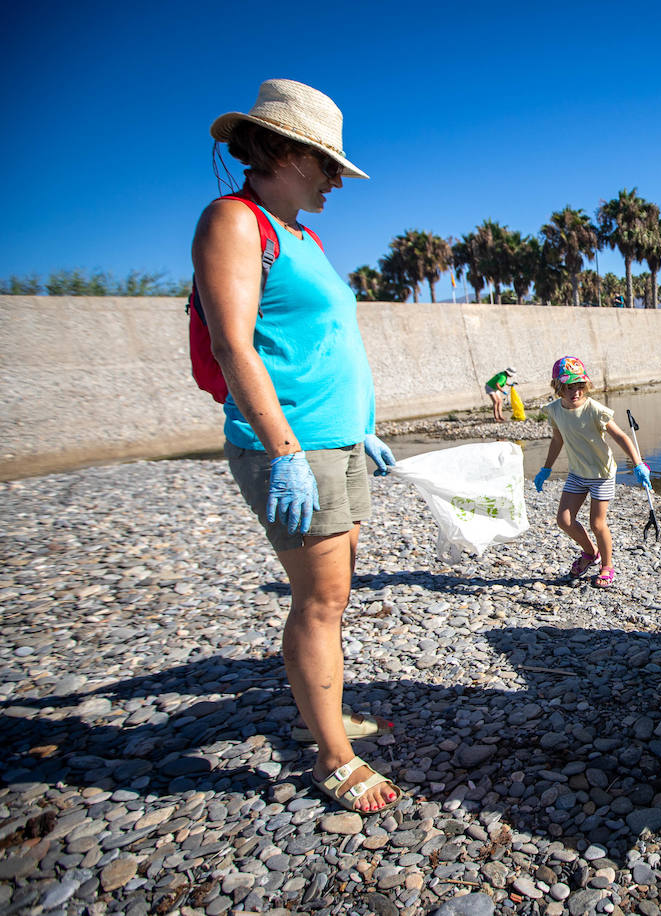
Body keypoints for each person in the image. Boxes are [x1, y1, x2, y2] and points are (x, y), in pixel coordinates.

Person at [192, 79, 402, 813]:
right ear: (281, 150)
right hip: (293, 446)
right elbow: (232, 342)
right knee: (320, 602)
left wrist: (362, 426)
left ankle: (326, 711)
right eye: (327, 162)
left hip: (339, 442)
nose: (337, 179)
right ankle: (333, 757)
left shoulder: (305, 236)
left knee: (334, 591)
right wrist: (282, 449)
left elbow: (324, 343)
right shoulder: (234, 221)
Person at [533, 356, 651, 588]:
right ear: (558, 386)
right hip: (577, 473)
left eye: (579, 386)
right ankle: (590, 553)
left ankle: (607, 565)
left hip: (601, 474)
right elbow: (558, 440)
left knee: (597, 524)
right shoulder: (555, 410)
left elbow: (621, 436)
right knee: (564, 520)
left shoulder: (595, 410)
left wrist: (638, 463)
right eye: (569, 386)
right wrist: (545, 468)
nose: (575, 392)